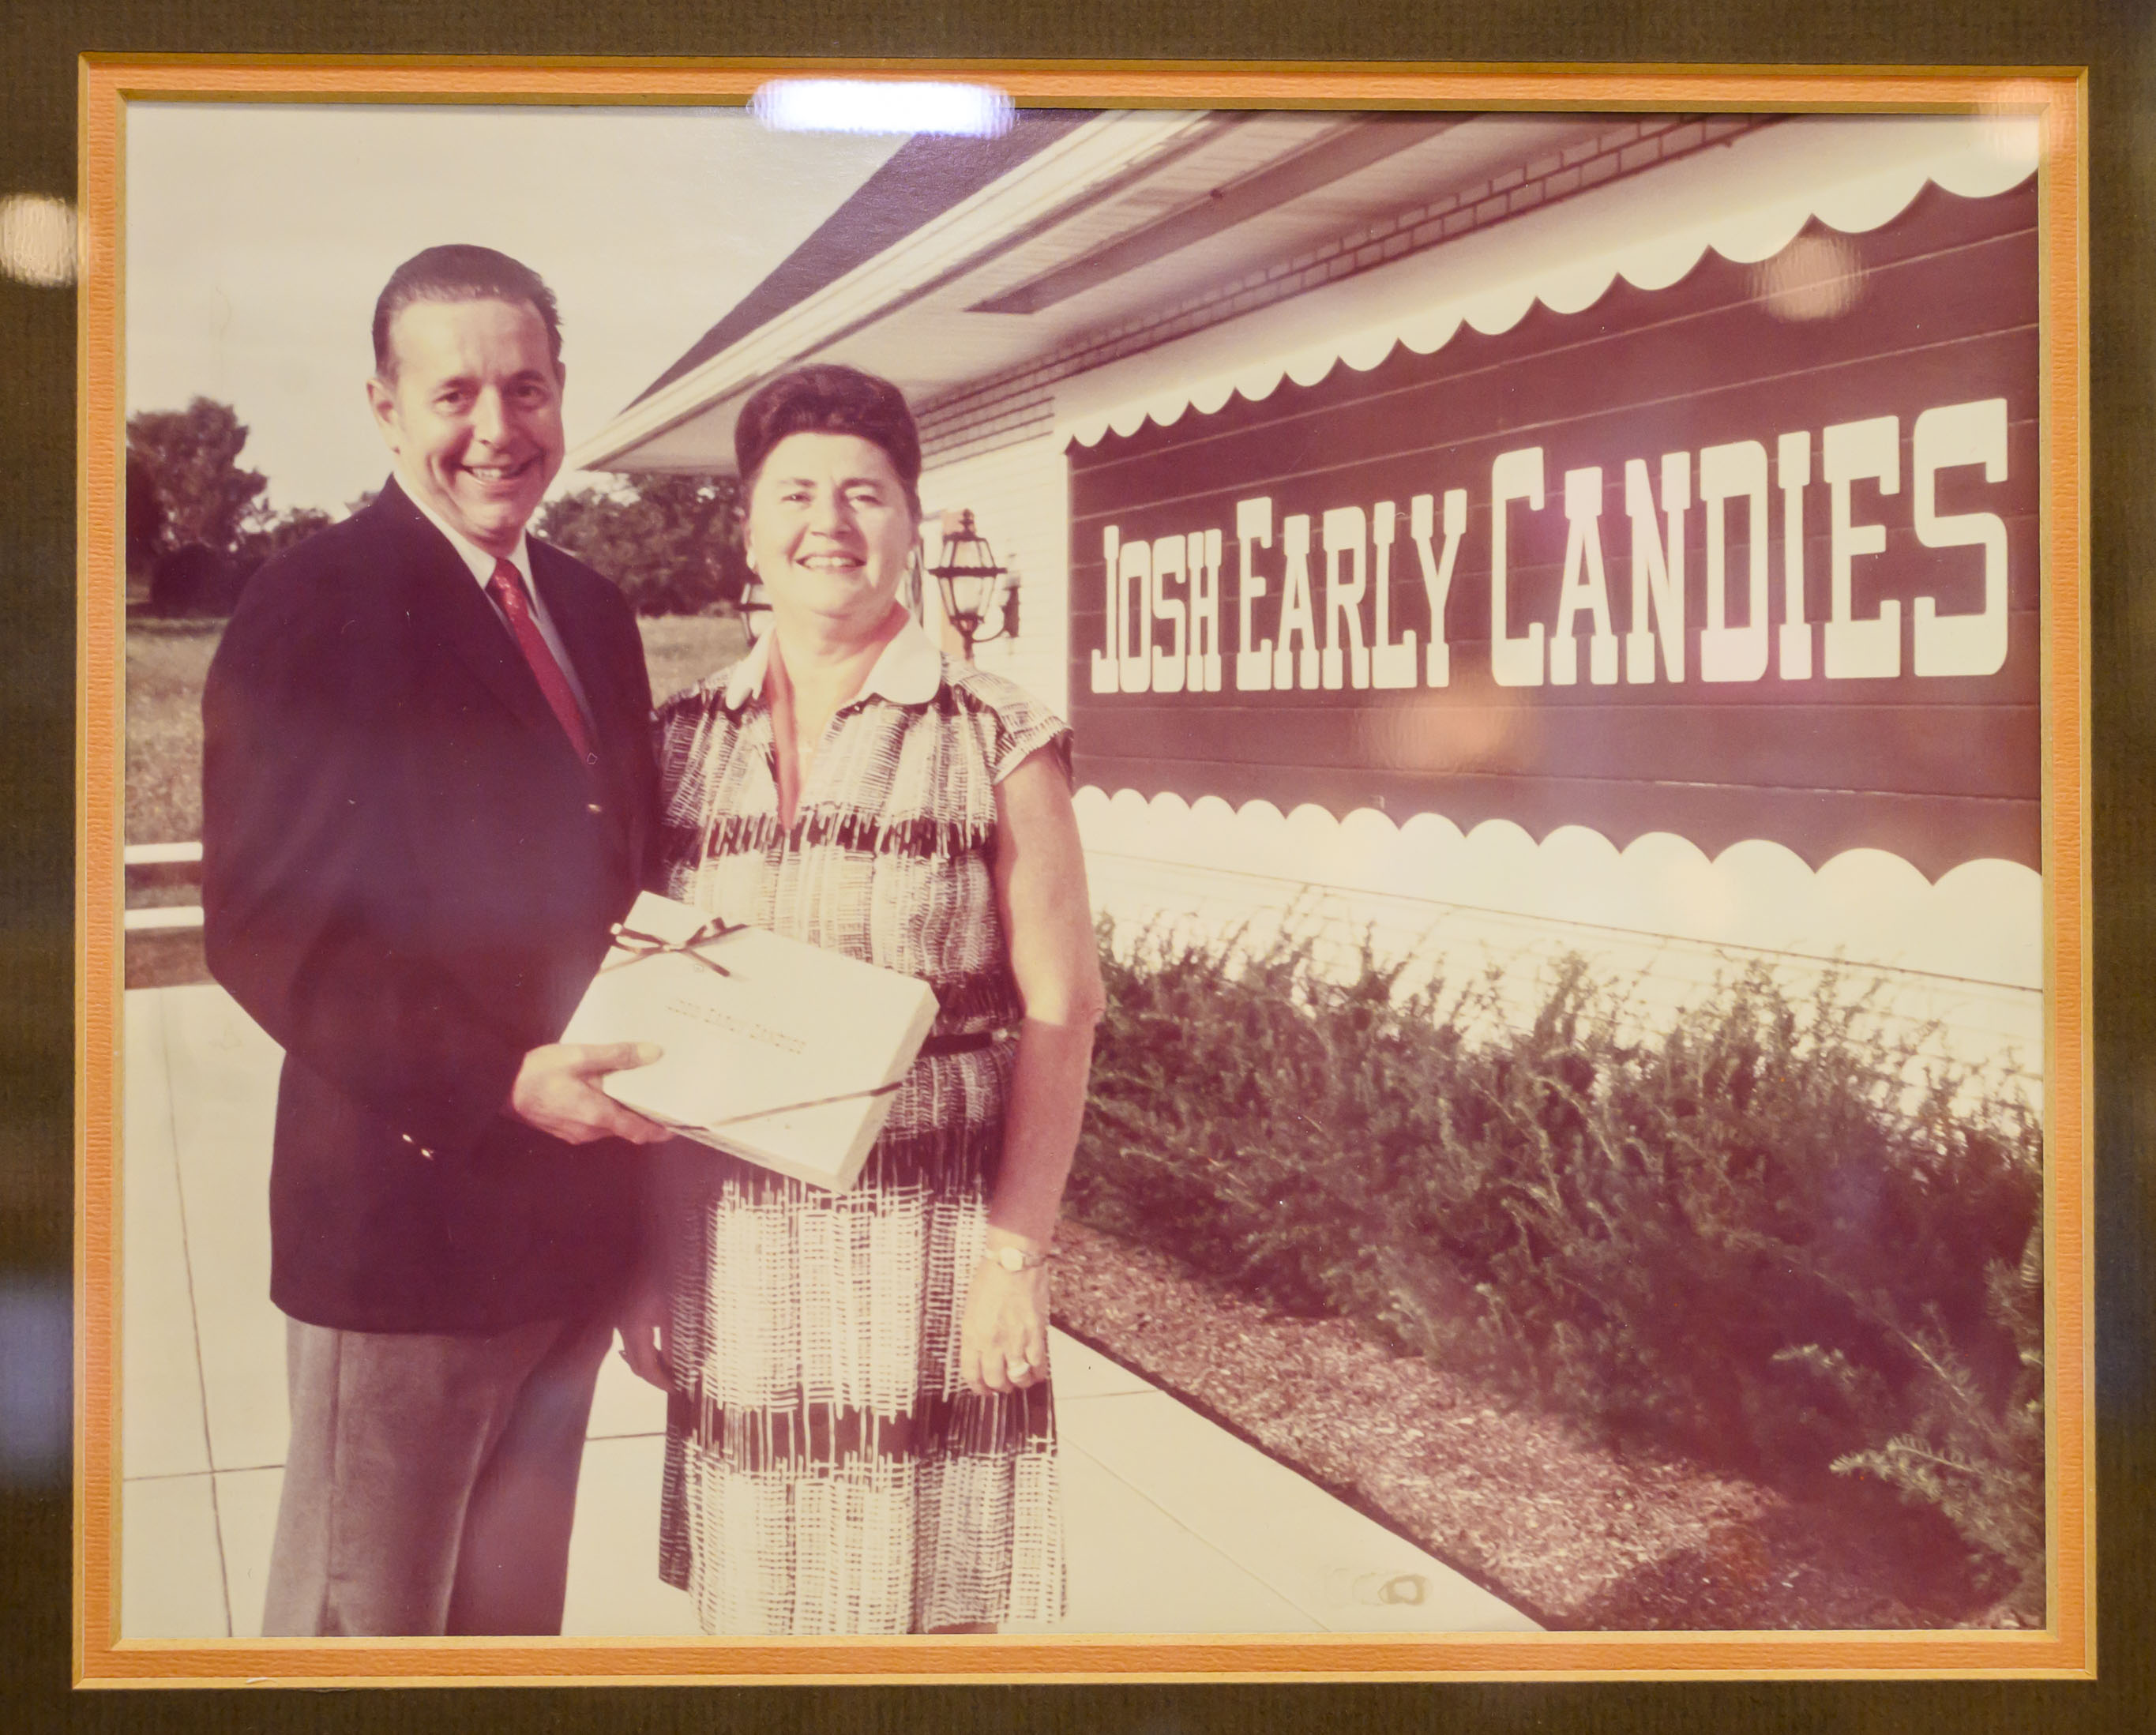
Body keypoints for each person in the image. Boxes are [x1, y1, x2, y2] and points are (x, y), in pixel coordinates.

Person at [201, 244, 670, 1637]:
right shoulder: (315, 604)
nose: (495, 430)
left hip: (566, 1239)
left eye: (525, 388)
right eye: (454, 392)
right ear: (384, 407)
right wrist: (505, 1079)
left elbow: (630, 882)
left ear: (564, 395)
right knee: (363, 1641)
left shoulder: (592, 608)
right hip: (405, 1244)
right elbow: (269, 929)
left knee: (507, 1642)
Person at [618, 363, 1102, 1635]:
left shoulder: (998, 731)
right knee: (764, 1608)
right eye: (795, 493)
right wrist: (641, 1261)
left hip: (930, 1242)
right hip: (733, 1252)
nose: (828, 522)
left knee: (926, 1614)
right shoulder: (675, 738)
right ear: (746, 526)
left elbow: (1064, 1010)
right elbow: (651, 1015)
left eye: (865, 494)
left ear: (911, 522)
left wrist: (1015, 1255)